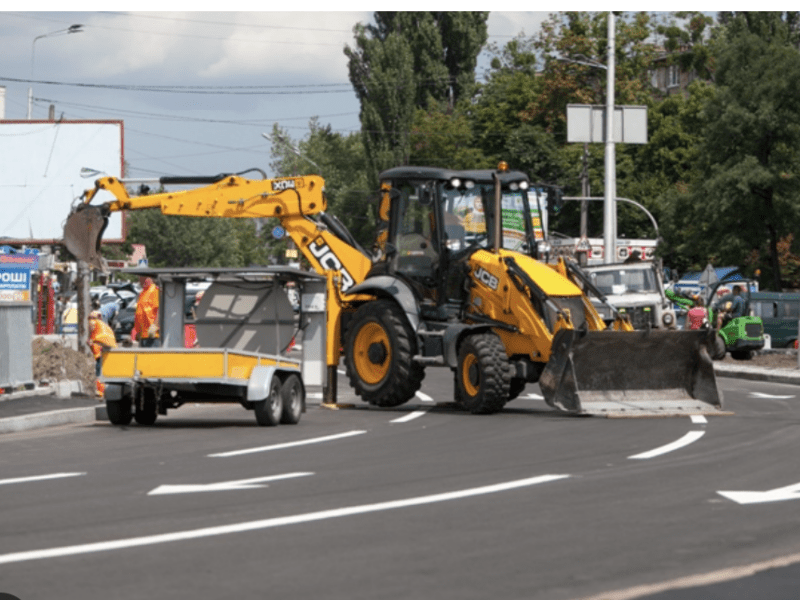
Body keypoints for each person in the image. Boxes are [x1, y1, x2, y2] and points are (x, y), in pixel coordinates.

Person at [88, 310, 117, 398]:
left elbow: (91, 330)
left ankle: (100, 392)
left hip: (101, 351)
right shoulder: (106, 326)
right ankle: (106, 391)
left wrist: (89, 339)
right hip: (110, 349)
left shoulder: (93, 322)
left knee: (99, 372)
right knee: (106, 371)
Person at [134, 276, 160, 347]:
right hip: (143, 334)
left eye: (141, 277)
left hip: (152, 335)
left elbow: (159, 310)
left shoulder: (154, 291)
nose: (139, 280)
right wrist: (138, 331)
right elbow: (140, 313)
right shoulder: (142, 293)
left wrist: (155, 326)